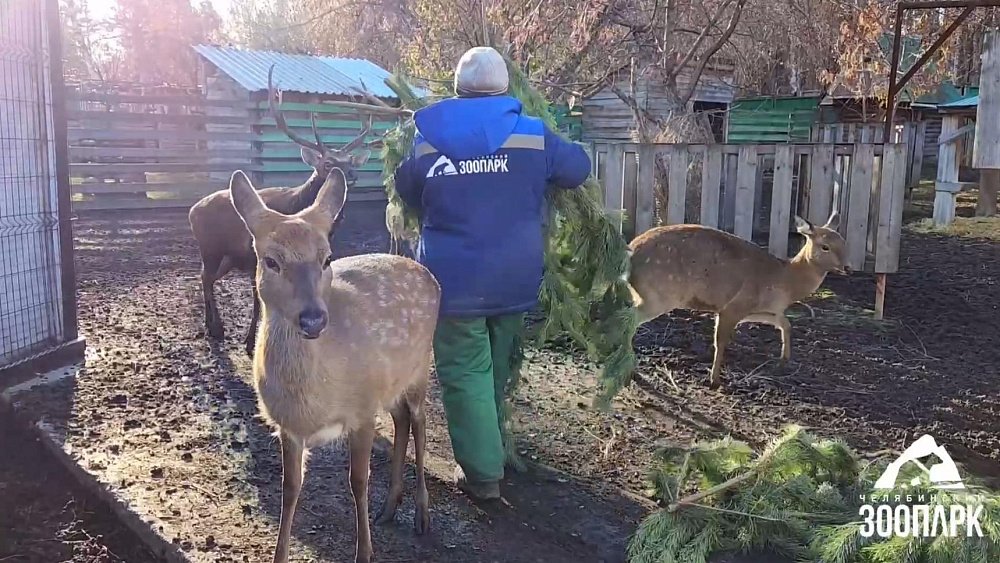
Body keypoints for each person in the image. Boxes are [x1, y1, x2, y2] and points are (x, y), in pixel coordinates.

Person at [394, 46, 591, 500]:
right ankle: (494, 449)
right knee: (496, 368)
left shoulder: (427, 139)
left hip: (454, 282)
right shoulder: (533, 135)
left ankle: (483, 475)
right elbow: (578, 169)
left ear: (458, 88)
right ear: (505, 87)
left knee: (467, 373)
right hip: (514, 278)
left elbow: (407, 189)